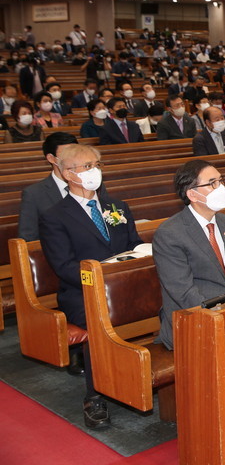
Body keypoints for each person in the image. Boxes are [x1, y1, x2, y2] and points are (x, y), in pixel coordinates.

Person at [39, 144, 142, 428]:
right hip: (81, 292)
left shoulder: (117, 207)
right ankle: (94, 395)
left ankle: (143, 377)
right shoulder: (54, 216)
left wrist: (142, 254)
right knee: (99, 319)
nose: (94, 171)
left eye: (96, 164)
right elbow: (63, 266)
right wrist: (100, 280)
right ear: (67, 172)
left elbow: (133, 244)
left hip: (123, 286)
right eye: (86, 166)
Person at [154, 161, 225, 350]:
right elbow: (183, 292)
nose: (221, 187)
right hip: (193, 321)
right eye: (212, 183)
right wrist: (223, 315)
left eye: (221, 180)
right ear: (192, 194)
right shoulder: (170, 233)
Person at [18, 132, 79, 241]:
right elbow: (28, 238)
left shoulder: (92, 185)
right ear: (51, 158)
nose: (73, 160)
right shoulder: (34, 194)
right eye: (67, 155)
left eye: (76, 154)